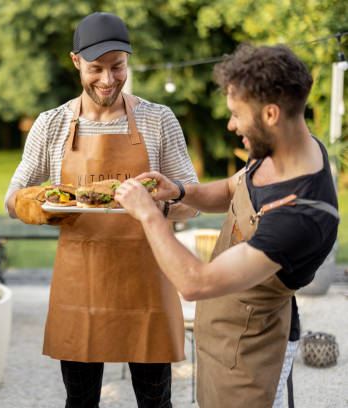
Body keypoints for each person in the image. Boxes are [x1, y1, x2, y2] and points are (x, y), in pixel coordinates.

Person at [115, 44, 339, 408]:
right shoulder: (283, 144)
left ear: (270, 114)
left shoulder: (300, 216)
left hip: (251, 354)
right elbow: (234, 188)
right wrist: (181, 190)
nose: (231, 125)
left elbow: (194, 283)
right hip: (222, 331)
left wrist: (149, 215)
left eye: (236, 114)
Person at [4, 11, 199, 408]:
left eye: (118, 67)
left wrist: (159, 206)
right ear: (76, 61)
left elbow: (191, 200)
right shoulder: (52, 125)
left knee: (157, 404)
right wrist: (43, 206)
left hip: (148, 282)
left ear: (128, 61)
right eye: (96, 69)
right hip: (81, 288)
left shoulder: (158, 119)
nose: (108, 81)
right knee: (80, 403)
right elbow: (13, 199)